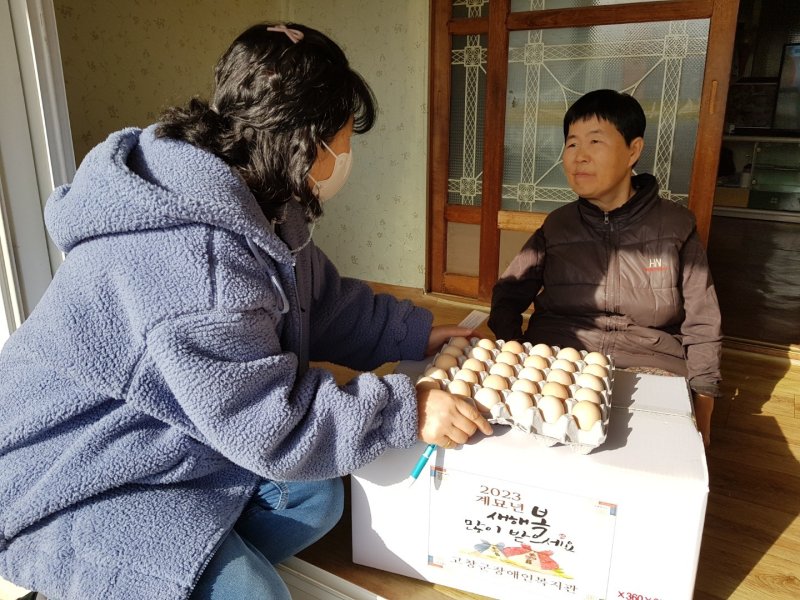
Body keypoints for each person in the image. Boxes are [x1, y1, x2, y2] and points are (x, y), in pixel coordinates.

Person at [0, 22, 492, 600]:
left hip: (163, 440)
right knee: (259, 593)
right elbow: (272, 426)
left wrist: (412, 331)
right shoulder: (199, 263)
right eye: (345, 140)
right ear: (308, 144)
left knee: (313, 497)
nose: (348, 155)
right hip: (71, 480)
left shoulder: (260, 201)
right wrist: (407, 411)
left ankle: (173, 575)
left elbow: (322, 304)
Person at [488, 89, 721, 447]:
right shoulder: (557, 226)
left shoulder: (675, 228)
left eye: (595, 141)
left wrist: (703, 406)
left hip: (650, 365)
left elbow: (703, 322)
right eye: (571, 144)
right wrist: (517, 351)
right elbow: (507, 294)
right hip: (557, 361)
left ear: (633, 150)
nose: (579, 157)